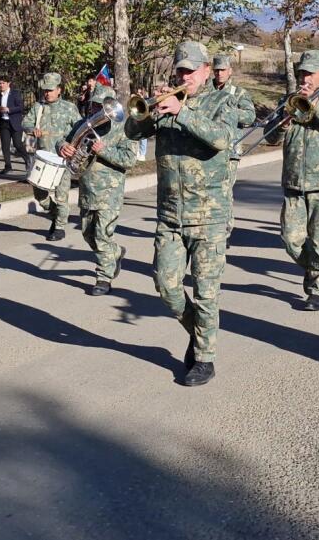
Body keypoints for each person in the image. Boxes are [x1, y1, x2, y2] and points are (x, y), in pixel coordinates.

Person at [125, 41, 237, 387]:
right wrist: (150, 111)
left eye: (191, 70)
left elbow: (221, 139)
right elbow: (131, 132)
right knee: (166, 285)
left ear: (206, 70)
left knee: (205, 293)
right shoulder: (167, 102)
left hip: (209, 216)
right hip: (170, 214)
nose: (184, 76)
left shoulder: (223, 100)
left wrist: (181, 112)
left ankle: (205, 357)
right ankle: (201, 333)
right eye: (180, 71)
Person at [266, 50, 319, 310]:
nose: (304, 79)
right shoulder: (287, 100)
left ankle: (316, 289)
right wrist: (282, 124)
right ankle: (314, 266)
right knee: (290, 240)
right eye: (301, 73)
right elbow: (270, 138)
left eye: (310, 74)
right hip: (293, 181)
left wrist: (315, 106)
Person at [58, 83, 139, 296]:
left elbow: (129, 160)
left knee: (102, 234)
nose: (98, 111)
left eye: (102, 107)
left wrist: (104, 151)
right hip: (87, 189)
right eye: (94, 106)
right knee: (88, 234)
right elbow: (64, 140)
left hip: (110, 192)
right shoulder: (82, 124)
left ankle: (103, 277)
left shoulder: (124, 128)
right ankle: (115, 252)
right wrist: (62, 147)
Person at [23, 72, 81, 241]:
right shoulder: (38, 107)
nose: (47, 93)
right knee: (40, 196)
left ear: (59, 90)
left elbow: (80, 130)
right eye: (45, 90)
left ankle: (60, 227)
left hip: (63, 160)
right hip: (43, 158)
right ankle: (56, 216)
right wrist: (31, 129)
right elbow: (25, 123)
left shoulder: (69, 108)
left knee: (61, 195)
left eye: (50, 90)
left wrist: (71, 146)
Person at [213, 52, 257, 233]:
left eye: (223, 70)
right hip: (207, 148)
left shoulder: (239, 93)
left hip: (229, 151)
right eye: (216, 70)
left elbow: (250, 116)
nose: (219, 74)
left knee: (224, 190)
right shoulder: (206, 91)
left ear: (230, 71)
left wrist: (230, 113)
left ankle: (225, 228)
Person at [0, 77, 29, 174]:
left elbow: (21, 107)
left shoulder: (15, 94)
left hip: (15, 122)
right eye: (0, 83)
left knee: (18, 144)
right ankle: (8, 166)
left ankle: (28, 161)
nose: (1, 85)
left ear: (9, 83)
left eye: (3, 83)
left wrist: (9, 110)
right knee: (5, 146)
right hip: (3, 123)